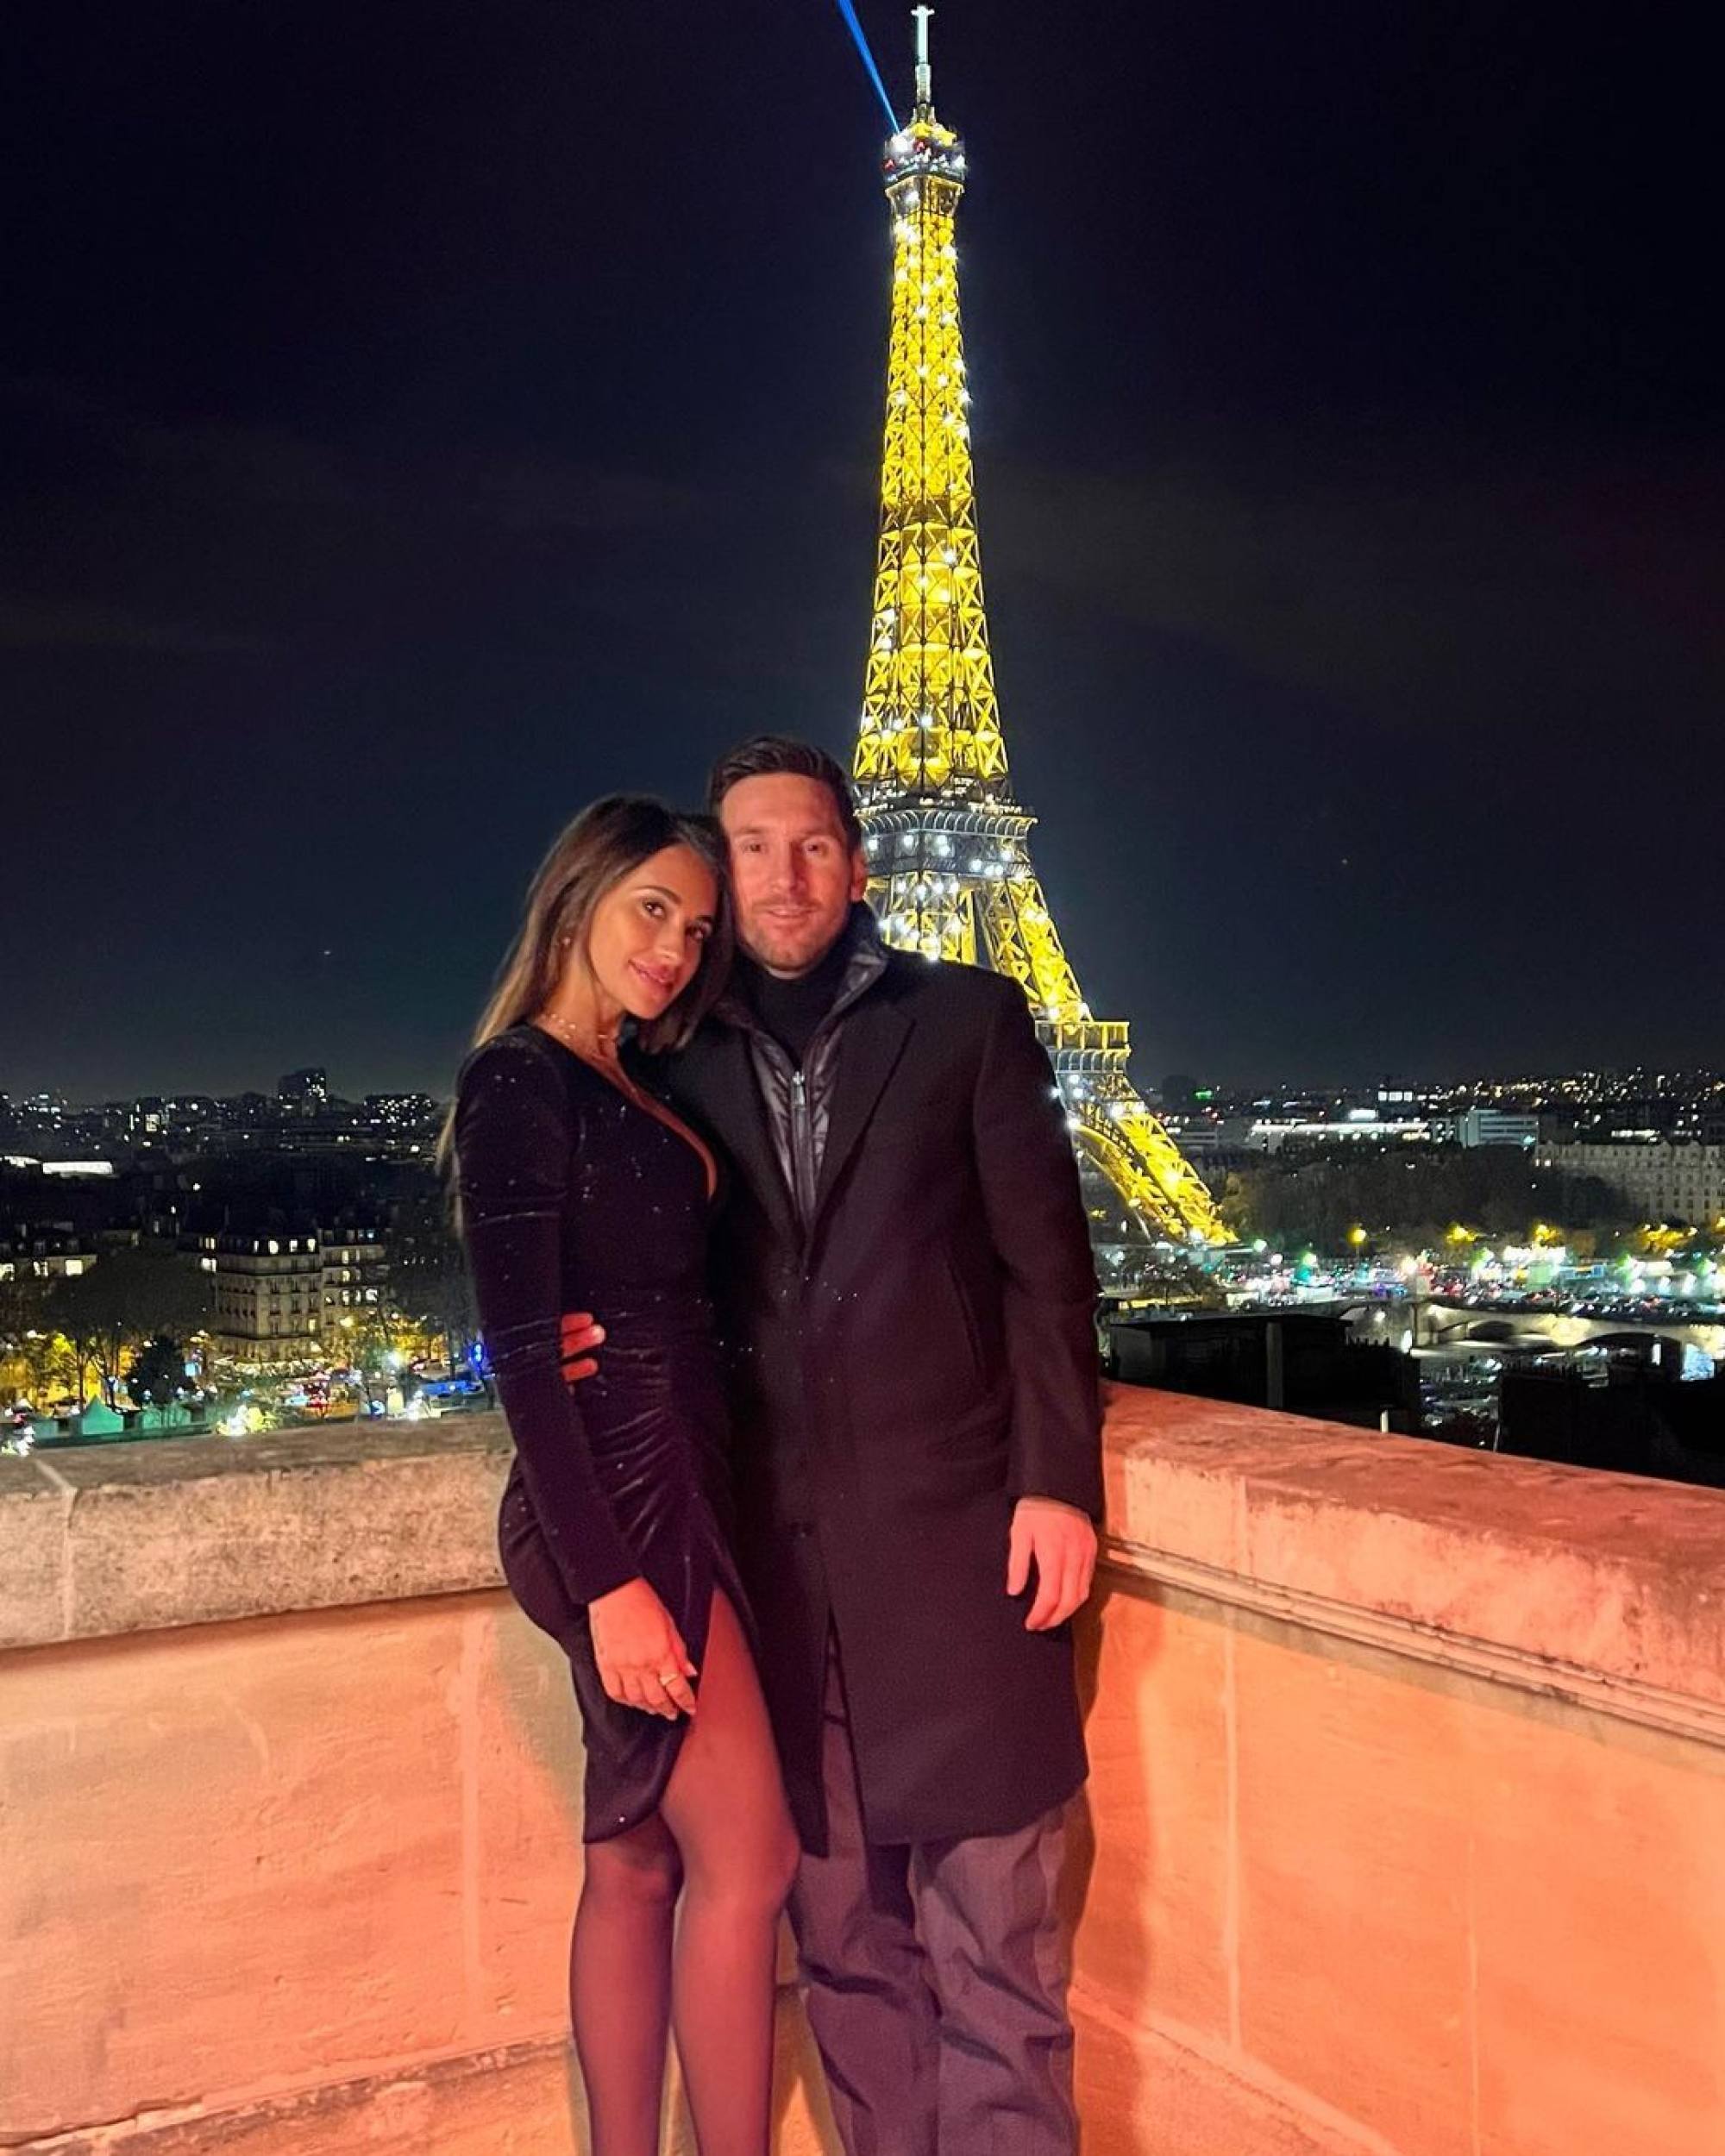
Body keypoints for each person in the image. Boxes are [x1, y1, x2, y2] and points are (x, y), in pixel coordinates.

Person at [566, 739, 1104, 2154]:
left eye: (810, 844)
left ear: (857, 864)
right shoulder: (669, 1058)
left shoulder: (973, 1021)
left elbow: (1048, 1272)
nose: (784, 875)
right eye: (750, 848)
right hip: (780, 1579)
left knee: (999, 1958)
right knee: (854, 1963)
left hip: (963, 1552)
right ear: (718, 870)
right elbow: (613, 1249)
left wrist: (1058, 1480)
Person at [449, 795, 799, 2156]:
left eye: (695, 928)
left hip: (677, 1475)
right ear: (578, 894)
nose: (673, 946)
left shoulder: (627, 1078)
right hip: (627, 1503)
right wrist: (613, 1587)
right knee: (752, 1858)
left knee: (641, 1855)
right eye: (650, 907)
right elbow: (525, 1355)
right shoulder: (522, 1080)